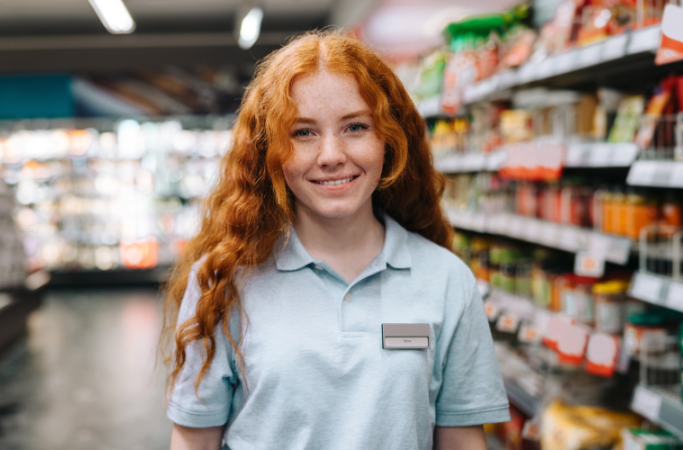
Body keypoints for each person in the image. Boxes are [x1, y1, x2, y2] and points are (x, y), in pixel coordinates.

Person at [162, 30, 509, 450]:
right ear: (269, 151)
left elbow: (461, 440)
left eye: (355, 127)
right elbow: (193, 439)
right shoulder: (223, 280)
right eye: (303, 133)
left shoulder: (446, 280)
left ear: (389, 139)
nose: (331, 155)